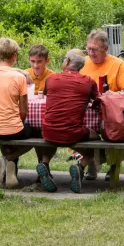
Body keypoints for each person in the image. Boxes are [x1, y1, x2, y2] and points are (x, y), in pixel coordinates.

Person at [36, 49, 100, 193]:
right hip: (73, 132)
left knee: (53, 135)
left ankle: (45, 163)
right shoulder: (88, 81)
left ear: (68, 62)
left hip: (49, 131)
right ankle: (80, 166)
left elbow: (47, 94)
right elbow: (98, 100)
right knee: (96, 138)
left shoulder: (51, 79)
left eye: (64, 59)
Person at [0, 37, 38, 189]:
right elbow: (24, 111)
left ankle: (8, 171)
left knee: (6, 134)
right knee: (34, 133)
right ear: (14, 57)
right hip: (12, 129)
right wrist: (17, 121)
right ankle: (8, 160)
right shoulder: (19, 77)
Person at [79, 29, 124, 181]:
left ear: (106, 48)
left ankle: (113, 166)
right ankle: (90, 162)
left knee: (113, 133)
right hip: (88, 113)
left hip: (111, 114)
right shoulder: (82, 63)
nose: (90, 53)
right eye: (88, 49)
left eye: (94, 50)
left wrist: (114, 95)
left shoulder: (117, 64)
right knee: (76, 131)